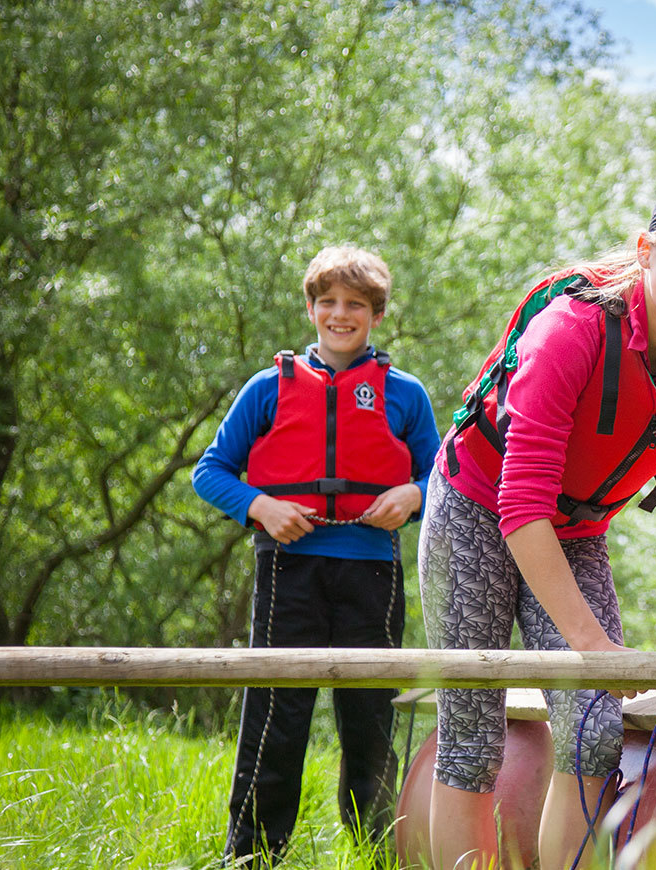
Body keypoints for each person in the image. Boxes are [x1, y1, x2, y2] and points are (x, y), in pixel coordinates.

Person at [419, 176, 656, 870]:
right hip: (476, 503)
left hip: (575, 530)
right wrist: (590, 644)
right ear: (648, 249)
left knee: (592, 731)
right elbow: (519, 501)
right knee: (471, 737)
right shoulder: (572, 330)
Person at [192, 246, 442, 865]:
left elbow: (448, 477)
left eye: (355, 304)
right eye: (328, 302)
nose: (340, 313)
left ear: (376, 315)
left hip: (372, 572)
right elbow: (211, 471)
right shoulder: (267, 387)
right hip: (288, 569)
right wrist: (260, 507)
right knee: (276, 718)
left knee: (369, 725)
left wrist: (412, 493)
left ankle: (375, 853)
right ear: (310, 309)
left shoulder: (405, 394)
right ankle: (251, 857)